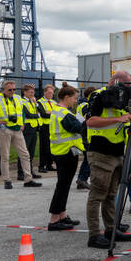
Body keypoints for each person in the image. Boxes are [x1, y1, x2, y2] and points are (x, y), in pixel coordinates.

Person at [84, 72, 131, 249]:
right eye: (127, 84)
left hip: (116, 152)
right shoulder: (100, 96)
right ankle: (94, 235)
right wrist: (118, 119)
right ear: (117, 82)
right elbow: (90, 121)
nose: (129, 88)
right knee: (97, 194)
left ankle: (111, 229)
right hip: (100, 152)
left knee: (111, 194)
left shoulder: (121, 97)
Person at [0, 81, 41, 190]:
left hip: (17, 130)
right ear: (3, 90)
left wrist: (22, 122)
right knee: (5, 156)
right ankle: (7, 180)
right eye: (10, 90)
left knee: (25, 154)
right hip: (5, 130)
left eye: (14, 89)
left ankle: (28, 179)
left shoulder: (18, 98)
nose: (12, 91)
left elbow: (22, 112)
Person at [47, 86, 84, 231]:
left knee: (64, 185)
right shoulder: (63, 113)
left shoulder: (59, 111)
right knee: (62, 186)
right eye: (74, 98)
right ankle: (54, 220)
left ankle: (62, 215)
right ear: (67, 97)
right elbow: (77, 127)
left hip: (62, 152)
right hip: (66, 153)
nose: (75, 101)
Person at [17, 84, 42, 182]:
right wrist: (37, 115)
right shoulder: (22, 102)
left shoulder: (32, 101)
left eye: (33, 92)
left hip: (33, 129)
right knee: (24, 152)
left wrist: (36, 104)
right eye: (31, 92)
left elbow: (40, 110)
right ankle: (21, 173)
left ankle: (30, 171)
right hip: (26, 129)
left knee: (31, 152)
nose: (33, 94)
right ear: (25, 92)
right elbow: (28, 114)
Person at [75, 86, 96, 190]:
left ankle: (81, 180)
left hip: (82, 133)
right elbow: (86, 118)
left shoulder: (81, 104)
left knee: (87, 157)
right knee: (88, 158)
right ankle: (82, 178)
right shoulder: (86, 105)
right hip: (86, 133)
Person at [37, 85, 56, 173]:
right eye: (49, 93)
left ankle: (49, 164)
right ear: (44, 92)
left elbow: (57, 113)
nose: (51, 94)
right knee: (44, 147)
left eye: (52, 93)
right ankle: (41, 166)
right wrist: (52, 113)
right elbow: (43, 114)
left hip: (52, 126)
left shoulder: (53, 102)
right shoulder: (40, 102)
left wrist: (50, 112)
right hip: (44, 127)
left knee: (51, 146)